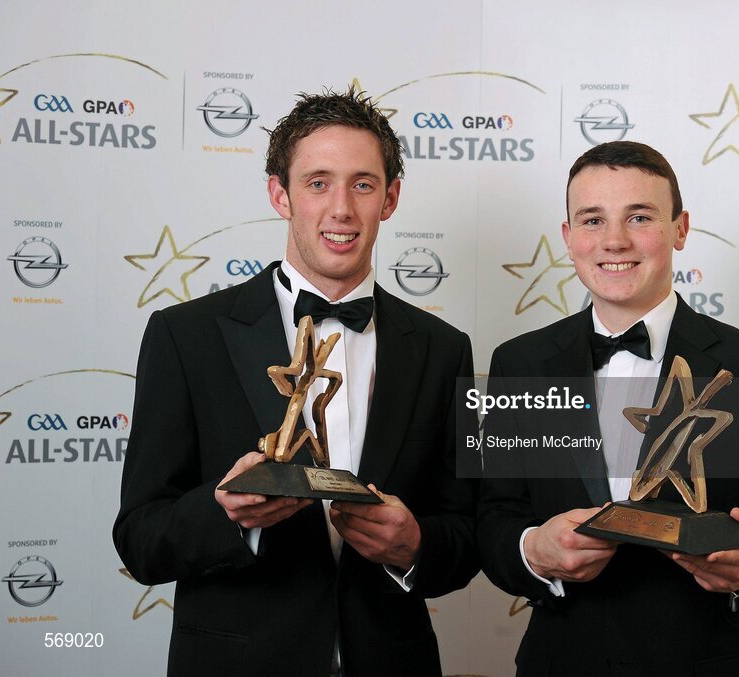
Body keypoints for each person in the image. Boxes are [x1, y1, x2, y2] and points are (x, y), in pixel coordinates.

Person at [114, 87, 479, 677]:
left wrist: (415, 545)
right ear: (279, 194)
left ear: (389, 200)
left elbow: (466, 535)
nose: (340, 208)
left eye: (362, 184)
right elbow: (140, 539)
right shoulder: (187, 336)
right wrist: (224, 512)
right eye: (317, 182)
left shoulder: (442, 350)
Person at [477, 141, 739, 676]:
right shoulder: (518, 363)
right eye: (592, 220)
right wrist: (533, 549)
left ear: (680, 228)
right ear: (568, 237)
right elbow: (493, 520)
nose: (614, 241)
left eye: (640, 217)